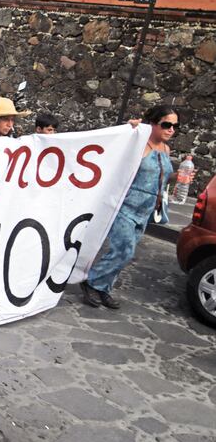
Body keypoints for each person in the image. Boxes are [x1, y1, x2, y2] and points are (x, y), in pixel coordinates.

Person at [82, 106, 177, 309]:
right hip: (126, 205)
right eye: (166, 124)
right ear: (152, 123)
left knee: (126, 252)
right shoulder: (139, 143)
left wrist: (179, 178)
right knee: (124, 250)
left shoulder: (166, 150)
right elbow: (115, 146)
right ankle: (91, 281)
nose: (171, 130)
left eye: (175, 126)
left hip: (147, 209)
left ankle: (103, 287)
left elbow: (162, 177)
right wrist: (131, 128)